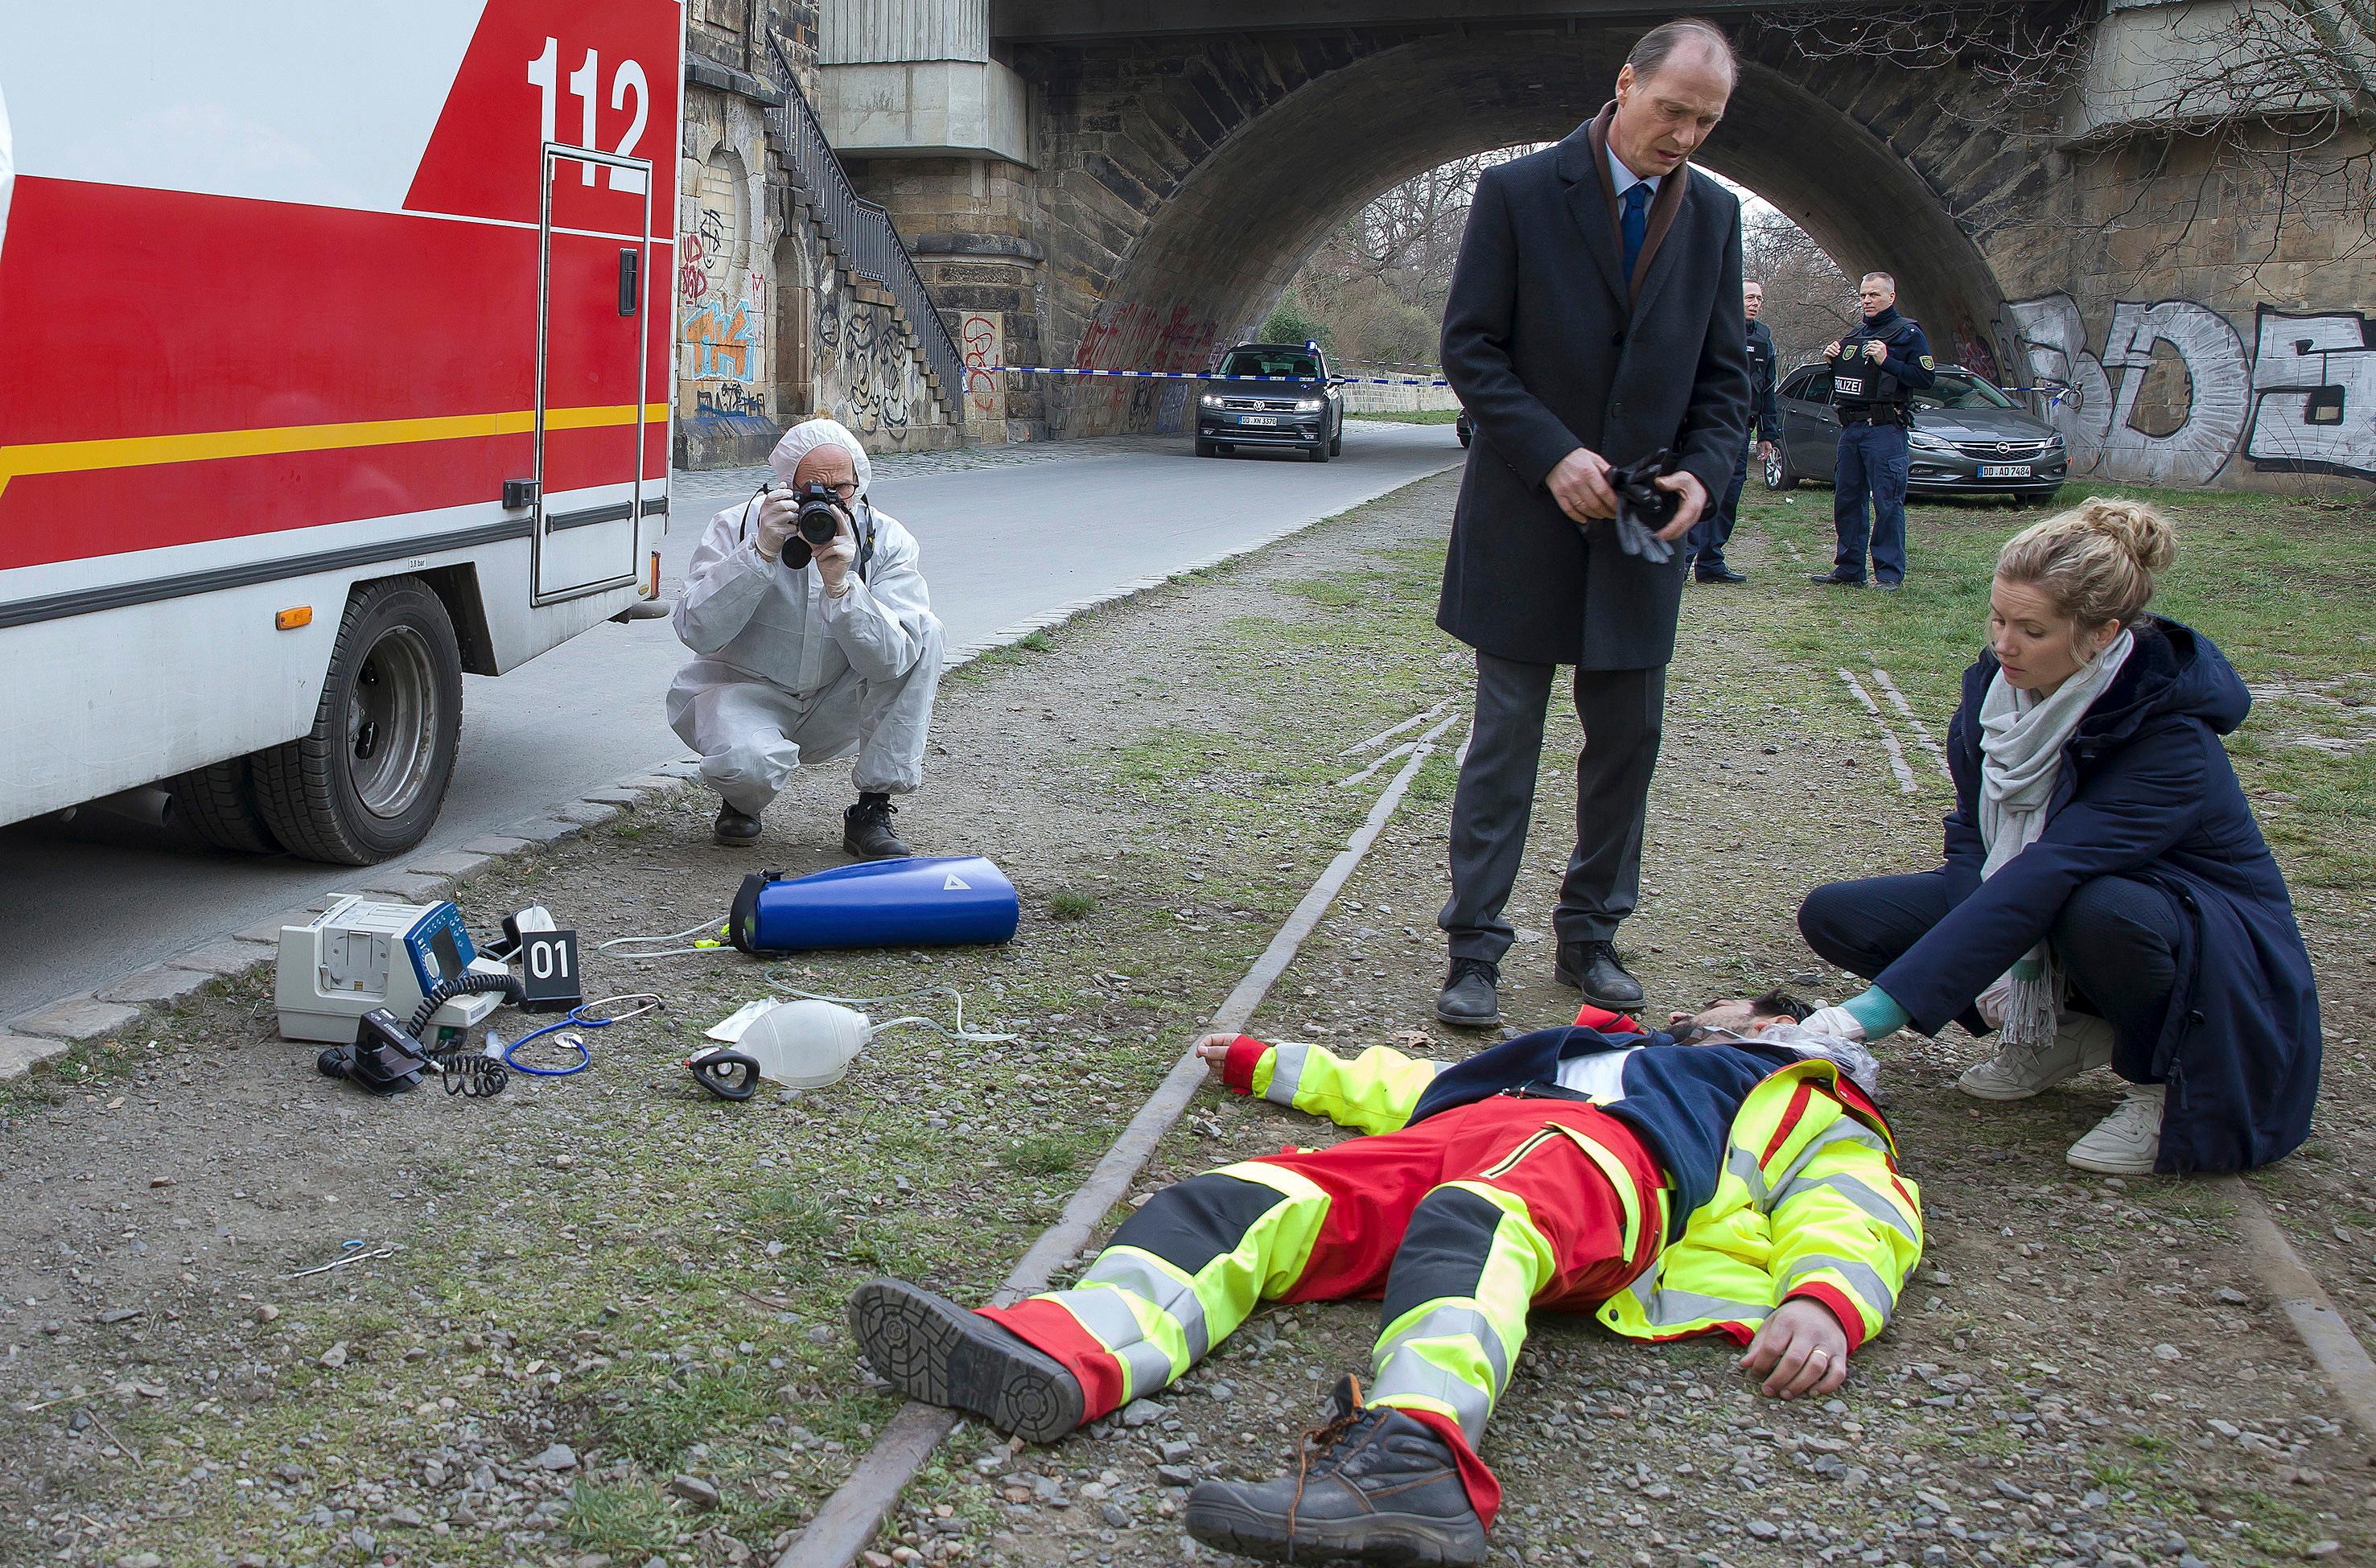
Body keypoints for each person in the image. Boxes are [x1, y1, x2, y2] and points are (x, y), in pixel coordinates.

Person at [849, 994, 1920, 1566]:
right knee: (1240, 1198)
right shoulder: (1594, 1043)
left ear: (1777, 1026)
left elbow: (1855, 1206)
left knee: (1480, 1221)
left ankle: (1415, 1460)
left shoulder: (1788, 1088)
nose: (1708, 1015)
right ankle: (1063, 1350)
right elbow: (1412, 1087)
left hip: (1617, 1164)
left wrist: (1826, 1300)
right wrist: (1271, 1063)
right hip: (1477, 1129)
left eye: (1733, 1012)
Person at [1796, 499, 2321, 1175]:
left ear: (2099, 635)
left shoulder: (2171, 737)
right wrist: (1994, 962)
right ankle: (2061, 1031)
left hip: (2205, 940)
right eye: (1997, 618)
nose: (2002, 644)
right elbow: (1970, 834)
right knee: (1841, 915)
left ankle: (2162, 1082)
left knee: (2098, 908)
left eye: (2030, 630)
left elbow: (2051, 868)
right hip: (2052, 891)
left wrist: (1870, 1012)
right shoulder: (1997, 695)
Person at [1434, 19, 1752, 1027]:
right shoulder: (1518, 192)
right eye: (1673, 111)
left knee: (1629, 741)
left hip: (1645, 527)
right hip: (1525, 517)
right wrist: (1550, 451)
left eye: (1706, 121)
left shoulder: (1713, 215)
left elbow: (1724, 379)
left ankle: (1592, 937)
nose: (1686, 137)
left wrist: (1705, 471)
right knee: (1505, 742)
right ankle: (1475, 945)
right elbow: (1471, 349)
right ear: (1625, 85)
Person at [668, 417, 942, 855]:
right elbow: (696, 630)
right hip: (750, 690)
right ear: (783, 485)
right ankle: (741, 799)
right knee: (747, 766)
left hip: (839, 697)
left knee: (923, 632)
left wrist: (843, 588)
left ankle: (873, 806)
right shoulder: (737, 526)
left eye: (842, 488)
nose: (828, 501)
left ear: (860, 483)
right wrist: (757, 555)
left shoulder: (884, 539)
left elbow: (891, 660)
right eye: (812, 487)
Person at [1810, 272, 1933, 590]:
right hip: (1852, 428)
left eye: (1875, 295)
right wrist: (1831, 362)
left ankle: (1889, 574)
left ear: (1891, 297)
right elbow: (1852, 381)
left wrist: (1888, 360)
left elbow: (1925, 379)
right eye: (1864, 295)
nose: (1867, 301)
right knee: (1847, 499)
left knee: (1887, 502)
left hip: (1885, 429)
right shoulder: (1857, 333)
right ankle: (1849, 569)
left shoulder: (1908, 334)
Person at [1683, 278, 1781, 584]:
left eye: (1760, 299)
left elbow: (1767, 390)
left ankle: (1712, 562)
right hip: (1712, 428)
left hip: (1743, 430)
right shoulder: (1713, 328)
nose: (1755, 303)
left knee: (1728, 498)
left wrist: (1768, 433)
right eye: (1750, 297)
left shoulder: (1764, 340)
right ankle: (1683, 562)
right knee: (1702, 490)